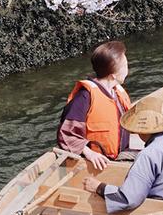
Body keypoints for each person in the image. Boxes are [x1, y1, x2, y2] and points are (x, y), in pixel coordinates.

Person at [83, 100, 163, 213]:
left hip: (161, 212)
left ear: (142, 131)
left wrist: (99, 187)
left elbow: (129, 199)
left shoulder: (149, 154)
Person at [57, 40, 132, 171]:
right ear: (113, 75)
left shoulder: (117, 91)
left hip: (120, 156)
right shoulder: (85, 97)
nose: (128, 69)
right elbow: (66, 134)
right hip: (96, 164)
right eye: (125, 65)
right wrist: (89, 153)